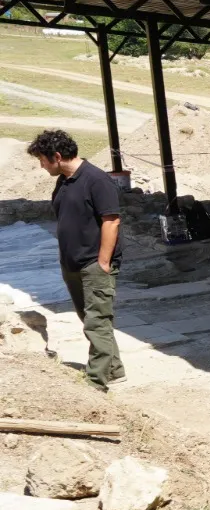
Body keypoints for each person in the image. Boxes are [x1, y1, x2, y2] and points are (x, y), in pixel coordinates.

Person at [27, 130, 125, 391]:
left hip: (94, 264)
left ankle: (96, 382)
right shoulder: (65, 181)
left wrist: (103, 262)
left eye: (42, 160)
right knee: (90, 319)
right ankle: (114, 369)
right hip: (72, 263)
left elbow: (111, 221)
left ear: (57, 156)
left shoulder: (96, 180)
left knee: (97, 322)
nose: (41, 165)